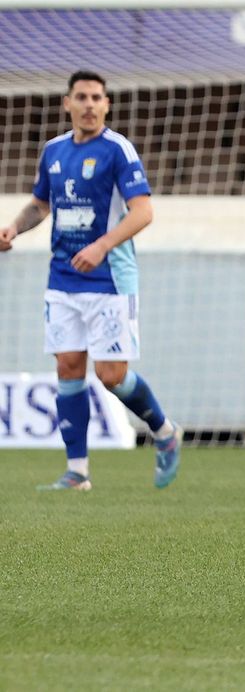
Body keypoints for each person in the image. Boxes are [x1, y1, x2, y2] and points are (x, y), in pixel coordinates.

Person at [0, 70, 181, 491]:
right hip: (62, 276)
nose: (89, 105)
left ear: (107, 104)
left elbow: (143, 212)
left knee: (112, 375)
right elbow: (41, 206)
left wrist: (101, 246)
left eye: (96, 97)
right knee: (67, 367)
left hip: (110, 277)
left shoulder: (118, 150)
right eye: (81, 97)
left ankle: (165, 431)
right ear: (67, 103)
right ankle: (77, 471)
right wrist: (12, 229)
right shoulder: (54, 151)